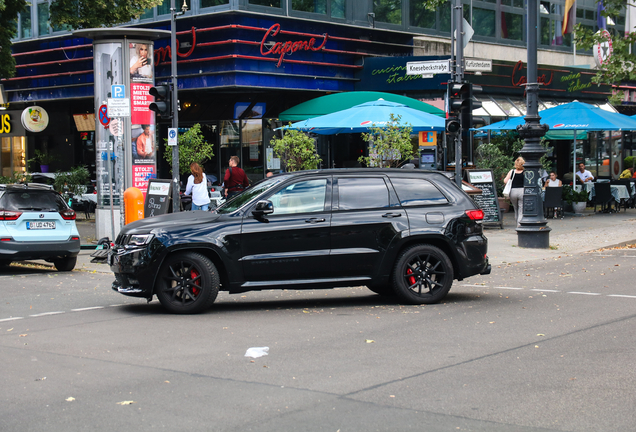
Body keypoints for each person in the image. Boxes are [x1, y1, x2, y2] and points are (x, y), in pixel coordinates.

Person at [503, 157, 525, 227]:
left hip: (513, 191)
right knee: (521, 208)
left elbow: (505, 181)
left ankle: (517, 223)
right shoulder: (525, 172)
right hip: (522, 191)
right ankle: (519, 224)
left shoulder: (512, 171)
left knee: (516, 209)